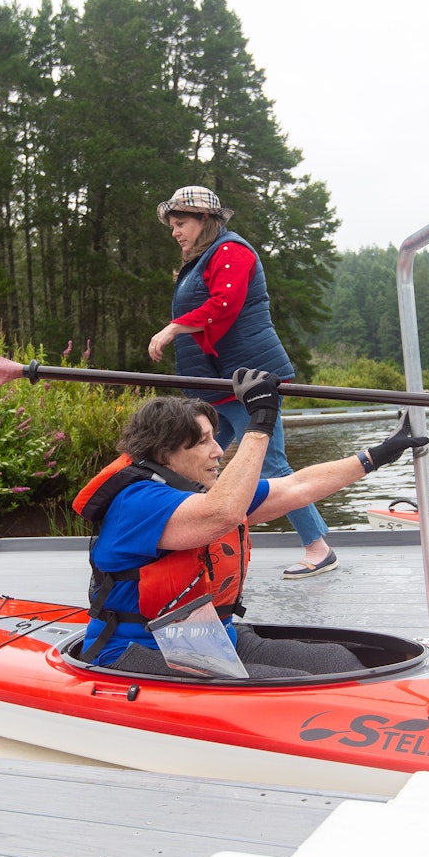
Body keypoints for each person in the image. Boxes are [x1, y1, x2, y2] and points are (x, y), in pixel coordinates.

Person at [73, 369, 428, 679]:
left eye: (215, 437)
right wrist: (260, 422)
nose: (218, 450)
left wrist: (377, 455)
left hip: (209, 639)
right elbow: (221, 514)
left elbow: (296, 486)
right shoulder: (138, 503)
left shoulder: (201, 493)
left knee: (339, 660)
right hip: (134, 653)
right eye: (203, 442)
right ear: (166, 454)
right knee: (288, 688)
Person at [147, 186, 337, 579]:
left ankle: (318, 546)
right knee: (198, 459)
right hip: (220, 380)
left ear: (204, 221)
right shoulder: (202, 260)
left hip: (248, 379)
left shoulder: (233, 251)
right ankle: (189, 538)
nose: (174, 232)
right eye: (172, 225)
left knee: (269, 463)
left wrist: (170, 330)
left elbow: (223, 305)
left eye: (180, 223)